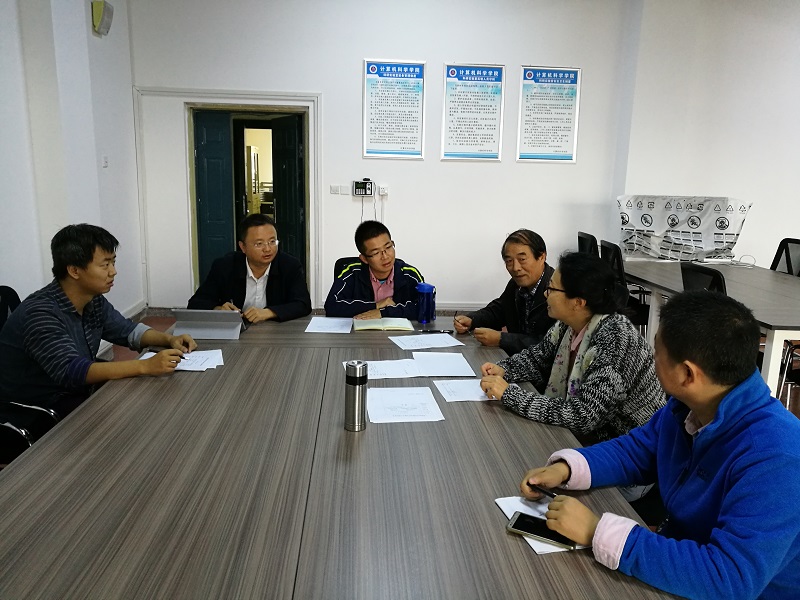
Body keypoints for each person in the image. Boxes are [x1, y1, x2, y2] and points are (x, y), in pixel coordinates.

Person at [519, 291, 800, 599]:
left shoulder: (777, 456)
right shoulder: (690, 406)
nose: (652, 360)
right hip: (681, 564)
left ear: (687, 373)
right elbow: (638, 450)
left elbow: (729, 578)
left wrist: (596, 531)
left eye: (656, 352)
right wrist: (566, 469)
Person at [0, 224, 197, 417]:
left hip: (74, 391)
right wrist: (145, 366)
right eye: (105, 265)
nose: (113, 271)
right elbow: (72, 372)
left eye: (113, 262)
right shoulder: (40, 313)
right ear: (74, 271)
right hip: (39, 407)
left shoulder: (93, 300)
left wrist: (168, 339)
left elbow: (127, 330)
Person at [480, 252, 665, 445]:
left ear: (578, 302)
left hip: (629, 446)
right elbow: (537, 359)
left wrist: (510, 394)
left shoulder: (616, 340)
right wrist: (504, 369)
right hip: (592, 438)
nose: (545, 294)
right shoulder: (568, 326)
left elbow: (584, 415)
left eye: (551, 289)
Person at [188, 214, 311, 323]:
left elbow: (303, 304)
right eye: (259, 244)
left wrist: (269, 312)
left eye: (272, 241)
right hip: (236, 332)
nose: (268, 249)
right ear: (243, 247)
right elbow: (196, 303)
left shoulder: (289, 266)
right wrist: (219, 309)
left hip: (276, 331)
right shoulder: (225, 266)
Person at [454, 229, 556, 355]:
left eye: (522, 259)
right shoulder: (516, 285)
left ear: (541, 257)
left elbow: (549, 345)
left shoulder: (558, 291)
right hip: (519, 360)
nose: (515, 268)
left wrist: (502, 339)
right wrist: (472, 320)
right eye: (509, 261)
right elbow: (499, 310)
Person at [324, 220, 424, 320]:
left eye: (388, 247)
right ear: (364, 259)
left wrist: (383, 312)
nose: (385, 256)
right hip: (361, 329)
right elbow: (331, 306)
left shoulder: (410, 274)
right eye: (376, 253)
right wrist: (376, 305)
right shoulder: (351, 272)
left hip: (398, 330)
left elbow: (425, 307)